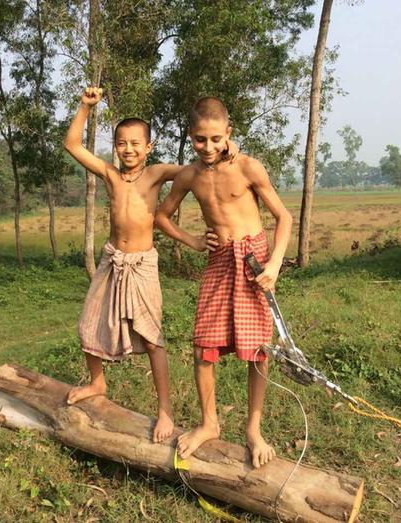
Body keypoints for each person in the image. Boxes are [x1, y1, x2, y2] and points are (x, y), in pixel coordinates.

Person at [154, 96, 293, 468]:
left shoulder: (248, 168)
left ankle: (253, 429)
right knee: (203, 346)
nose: (209, 146)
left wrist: (275, 264)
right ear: (191, 136)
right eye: (201, 139)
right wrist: (195, 240)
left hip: (253, 259)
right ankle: (209, 423)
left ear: (228, 133)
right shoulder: (188, 175)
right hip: (218, 261)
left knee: (258, 349)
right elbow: (162, 216)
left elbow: (283, 218)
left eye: (216, 138)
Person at [63, 86, 182, 443]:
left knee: (152, 336)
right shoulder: (111, 175)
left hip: (142, 265)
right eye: (121, 144)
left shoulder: (157, 174)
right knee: (88, 321)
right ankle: (97, 381)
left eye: (135, 144)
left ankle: (165, 411)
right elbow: (72, 145)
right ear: (115, 147)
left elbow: (195, 168)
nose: (128, 150)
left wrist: (226, 152)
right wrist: (85, 107)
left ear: (148, 147)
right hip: (112, 260)